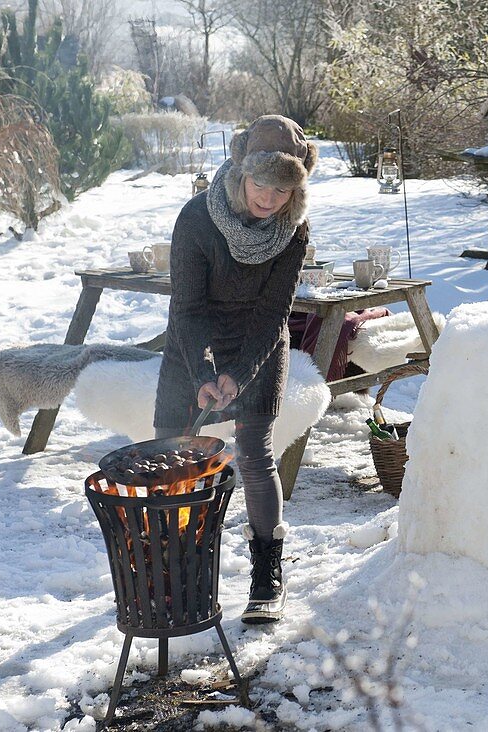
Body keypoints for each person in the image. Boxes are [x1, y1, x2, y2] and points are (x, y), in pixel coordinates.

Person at [154, 115, 317, 624]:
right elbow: (185, 309)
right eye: (261, 184)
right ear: (240, 172)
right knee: (170, 448)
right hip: (192, 339)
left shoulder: (294, 231)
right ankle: (176, 567)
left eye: (283, 189)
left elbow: (273, 314)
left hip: (258, 341)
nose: (269, 199)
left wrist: (239, 375)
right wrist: (205, 374)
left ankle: (267, 567)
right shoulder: (197, 219)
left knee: (253, 452)